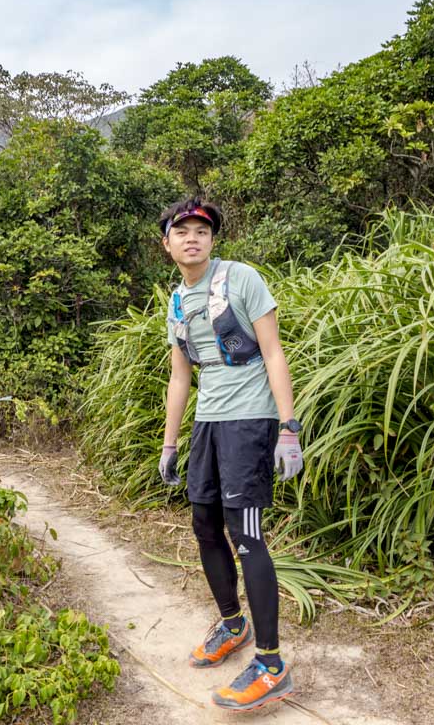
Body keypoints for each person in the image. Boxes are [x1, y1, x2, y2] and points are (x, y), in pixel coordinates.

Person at [158, 197, 303, 711]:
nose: (193, 237)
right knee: (203, 523)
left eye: (202, 230)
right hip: (208, 422)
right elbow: (181, 377)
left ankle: (271, 664)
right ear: (168, 243)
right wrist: (171, 442)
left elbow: (272, 350)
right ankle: (232, 623)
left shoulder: (241, 279)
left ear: (212, 240)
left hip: (249, 419)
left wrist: (288, 427)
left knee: (247, 534)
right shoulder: (177, 301)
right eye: (183, 230)